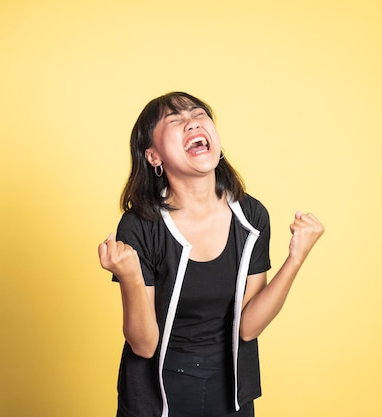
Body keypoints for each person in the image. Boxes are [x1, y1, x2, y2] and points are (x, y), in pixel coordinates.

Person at [98, 92, 324, 417]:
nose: (191, 122)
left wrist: (296, 258)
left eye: (198, 114)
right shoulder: (140, 226)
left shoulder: (252, 217)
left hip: (230, 388)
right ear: (154, 157)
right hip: (157, 395)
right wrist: (131, 276)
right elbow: (143, 345)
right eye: (175, 120)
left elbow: (248, 327)